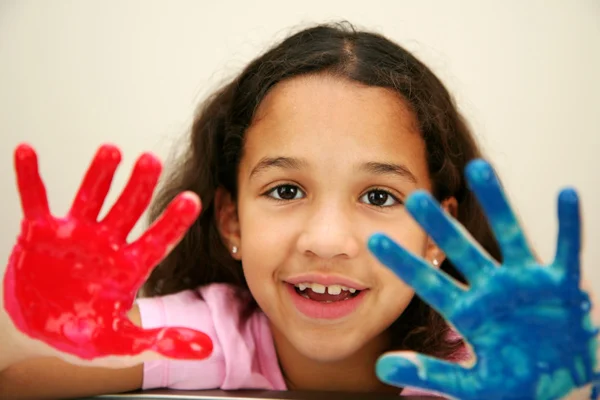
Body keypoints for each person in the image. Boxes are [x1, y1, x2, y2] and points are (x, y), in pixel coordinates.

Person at [0, 22, 598, 400]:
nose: (327, 239)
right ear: (232, 221)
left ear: (434, 235)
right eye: (286, 191)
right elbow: (19, 371)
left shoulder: (486, 355)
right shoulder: (214, 331)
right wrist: (39, 324)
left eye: (379, 197)